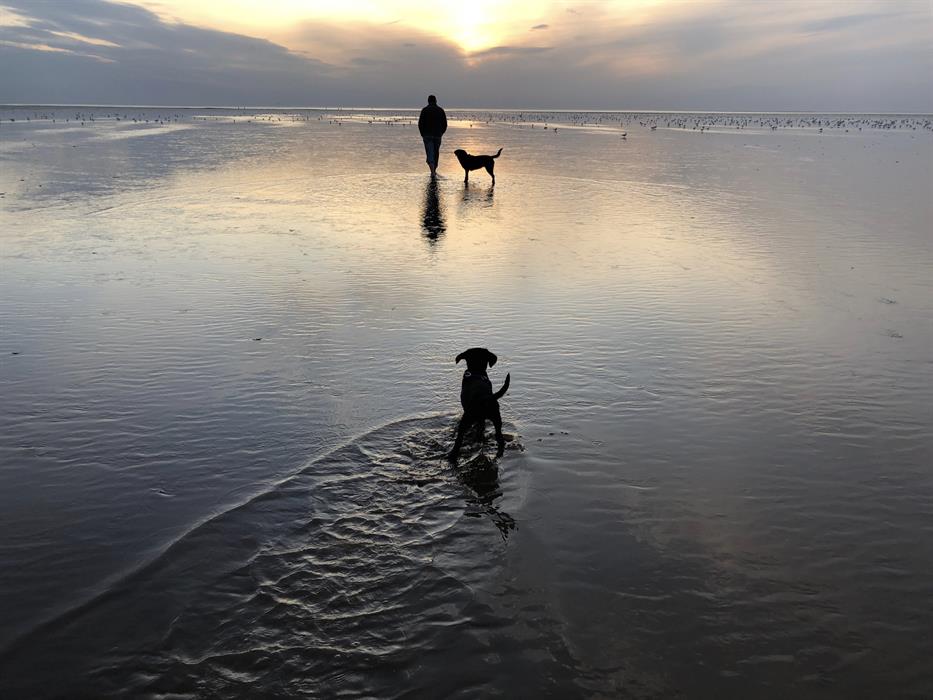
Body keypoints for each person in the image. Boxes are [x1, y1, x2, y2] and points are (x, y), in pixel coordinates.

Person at [418, 94, 447, 177]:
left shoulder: (424, 110)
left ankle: (432, 172)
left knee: (430, 152)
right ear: (436, 101)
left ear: (428, 101)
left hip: (427, 135)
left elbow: (420, 124)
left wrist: (422, 134)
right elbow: (445, 124)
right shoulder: (440, 110)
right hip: (437, 135)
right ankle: (434, 171)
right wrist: (441, 133)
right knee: (436, 153)